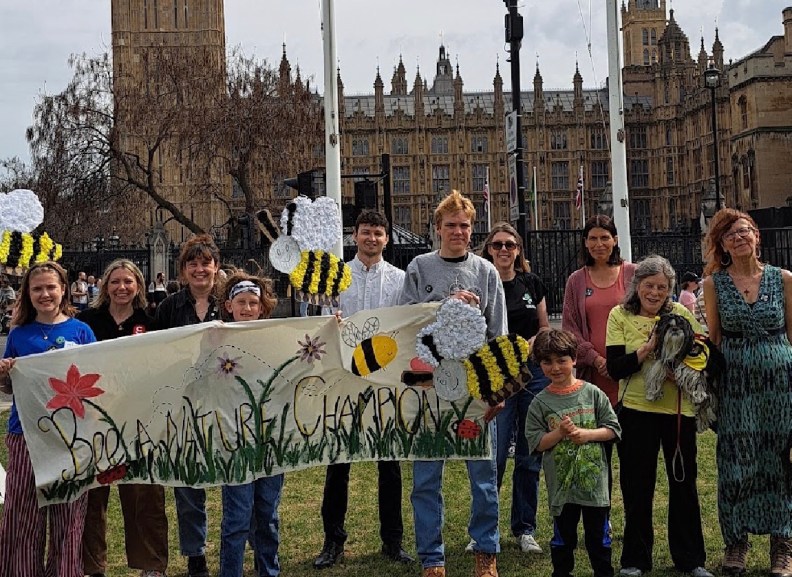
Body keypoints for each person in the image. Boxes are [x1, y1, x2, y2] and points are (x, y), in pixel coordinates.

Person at [400, 189, 507, 577]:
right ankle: (432, 557)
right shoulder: (419, 268)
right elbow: (406, 323)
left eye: (464, 225)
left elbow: (499, 335)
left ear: (472, 229)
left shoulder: (486, 272)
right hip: (429, 390)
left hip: (475, 391)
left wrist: (499, 391)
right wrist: (445, 307)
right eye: (451, 226)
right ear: (438, 229)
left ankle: (486, 552)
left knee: (483, 479)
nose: (458, 232)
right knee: (426, 479)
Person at [313, 211, 413, 569]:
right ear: (355, 236)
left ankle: (393, 540)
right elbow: (317, 321)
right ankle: (333, 540)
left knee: (389, 463)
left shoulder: (401, 281)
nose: (372, 239)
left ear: (387, 239)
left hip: (385, 381)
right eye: (366, 232)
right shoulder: (336, 278)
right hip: (344, 380)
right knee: (338, 462)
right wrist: (329, 319)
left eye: (378, 233)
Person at [605, 255, 712, 577]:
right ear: (636, 286)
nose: (655, 293)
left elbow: (702, 355)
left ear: (670, 291)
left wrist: (678, 369)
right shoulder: (619, 315)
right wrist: (648, 348)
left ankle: (690, 559)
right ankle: (636, 560)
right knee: (637, 487)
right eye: (649, 286)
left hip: (677, 411)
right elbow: (615, 368)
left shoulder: (681, 313)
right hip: (636, 410)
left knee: (683, 483)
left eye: (662, 288)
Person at [702, 209, 792, 577]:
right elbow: (716, 338)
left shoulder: (784, 278)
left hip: (779, 385)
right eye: (729, 236)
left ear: (756, 235)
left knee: (779, 462)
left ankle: (782, 545)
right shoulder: (714, 284)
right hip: (736, 385)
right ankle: (735, 543)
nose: (737, 239)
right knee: (736, 465)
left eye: (743, 231)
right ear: (721, 245)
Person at [0, 261, 97, 577]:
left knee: (67, 513)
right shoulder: (18, 335)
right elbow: (9, 387)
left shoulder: (81, 332)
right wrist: (3, 374)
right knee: (22, 513)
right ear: (28, 293)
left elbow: (97, 380)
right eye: (37, 288)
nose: (44, 294)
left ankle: (65, 571)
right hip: (25, 433)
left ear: (63, 289)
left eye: (50, 287)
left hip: (70, 437)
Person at [78, 260, 168, 577]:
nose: (121, 288)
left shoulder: (151, 322)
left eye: (128, 282)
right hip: (95, 423)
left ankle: (152, 565)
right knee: (90, 496)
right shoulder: (87, 323)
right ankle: (91, 566)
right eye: (115, 281)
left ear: (138, 286)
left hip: (138, 423)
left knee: (144, 494)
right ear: (105, 287)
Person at [525, 329, 621, 577]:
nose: (555, 367)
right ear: (540, 364)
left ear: (574, 359)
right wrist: (559, 434)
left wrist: (586, 434)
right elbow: (536, 443)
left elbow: (613, 429)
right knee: (563, 540)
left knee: (597, 540)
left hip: (594, 486)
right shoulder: (538, 402)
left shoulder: (592, 393)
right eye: (547, 362)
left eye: (561, 360)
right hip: (561, 487)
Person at [479, 222, 548, 555]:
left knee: (528, 453)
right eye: (497, 245)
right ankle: (485, 527)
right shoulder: (481, 282)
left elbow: (546, 327)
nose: (503, 250)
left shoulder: (531, 283)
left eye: (509, 245)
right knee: (494, 456)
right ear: (489, 249)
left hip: (533, 373)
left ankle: (525, 528)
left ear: (518, 249)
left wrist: (533, 342)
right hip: (498, 375)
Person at [155, 234, 222, 577]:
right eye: (192, 263)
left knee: (236, 479)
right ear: (182, 271)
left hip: (227, 406)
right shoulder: (169, 308)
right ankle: (195, 553)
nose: (200, 269)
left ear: (216, 267)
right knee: (188, 483)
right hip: (184, 408)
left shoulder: (230, 303)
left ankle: (236, 544)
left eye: (205, 262)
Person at [218, 271, 285, 577]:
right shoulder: (217, 340)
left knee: (268, 516)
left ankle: (267, 571)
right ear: (229, 306)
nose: (247, 308)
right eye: (241, 302)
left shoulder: (274, 339)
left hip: (269, 442)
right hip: (234, 443)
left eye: (253, 303)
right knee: (237, 519)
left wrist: (329, 326)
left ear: (262, 307)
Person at [562, 215, 636, 407]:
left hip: (632, 368)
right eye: (593, 239)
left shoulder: (633, 274)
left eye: (604, 238)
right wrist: (596, 360)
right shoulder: (576, 280)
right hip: (594, 372)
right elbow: (570, 329)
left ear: (615, 240)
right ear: (585, 243)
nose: (599, 244)